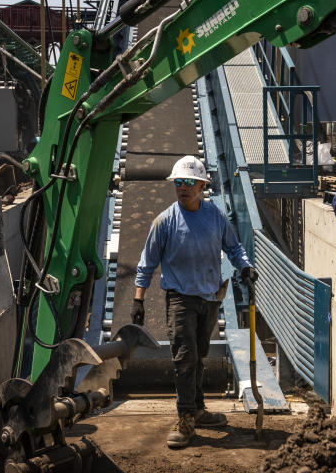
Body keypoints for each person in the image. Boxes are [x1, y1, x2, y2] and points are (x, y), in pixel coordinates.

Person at [132, 154, 258, 449]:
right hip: (180, 300)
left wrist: (246, 267)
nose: (183, 187)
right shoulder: (165, 221)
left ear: (201, 185)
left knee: (199, 356)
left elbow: (234, 246)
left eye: (189, 182)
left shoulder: (214, 215)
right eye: (179, 182)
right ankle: (186, 417)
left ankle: (198, 410)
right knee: (185, 359)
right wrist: (138, 300)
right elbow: (146, 263)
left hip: (210, 297)